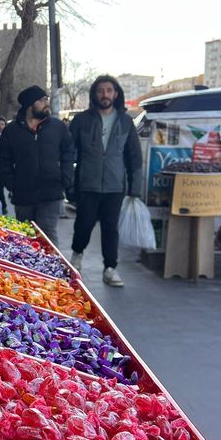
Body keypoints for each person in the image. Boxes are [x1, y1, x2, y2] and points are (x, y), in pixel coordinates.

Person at [68, 75, 143, 287]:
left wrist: (135, 188)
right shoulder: (81, 120)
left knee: (111, 228)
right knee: (84, 224)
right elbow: (69, 152)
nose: (105, 95)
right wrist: (69, 184)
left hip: (114, 186)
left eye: (109, 90)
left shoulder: (125, 122)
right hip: (87, 183)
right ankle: (76, 257)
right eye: (101, 91)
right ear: (94, 94)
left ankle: (110, 268)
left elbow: (134, 157)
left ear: (116, 94)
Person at [0, 86, 74, 245]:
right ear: (30, 104)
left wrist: (66, 178)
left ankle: (52, 262)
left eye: (47, 100)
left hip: (52, 193)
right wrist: (12, 184)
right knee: (25, 237)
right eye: (42, 100)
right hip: (23, 194)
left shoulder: (58, 127)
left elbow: (69, 153)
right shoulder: (11, 131)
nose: (46, 103)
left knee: (47, 236)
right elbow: (3, 160)